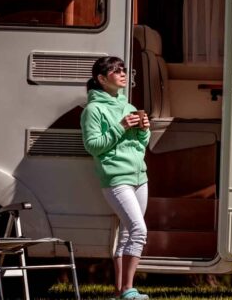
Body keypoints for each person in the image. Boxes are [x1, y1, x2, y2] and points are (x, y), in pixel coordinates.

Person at [80, 56, 151, 300]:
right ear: (101, 79)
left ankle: (120, 291)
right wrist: (120, 127)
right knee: (139, 230)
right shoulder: (93, 110)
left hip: (139, 176)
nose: (123, 74)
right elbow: (93, 146)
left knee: (126, 234)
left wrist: (144, 130)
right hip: (116, 179)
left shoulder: (129, 107)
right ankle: (130, 290)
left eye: (123, 70)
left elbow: (141, 146)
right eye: (116, 71)